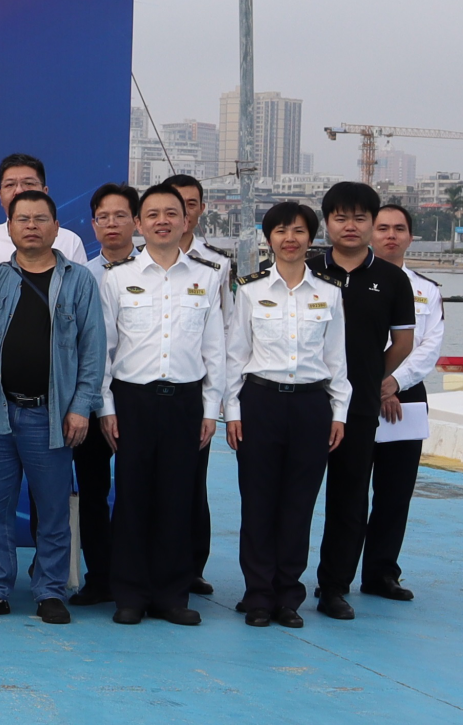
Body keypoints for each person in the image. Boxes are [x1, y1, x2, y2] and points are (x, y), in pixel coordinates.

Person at [0, 190, 103, 625]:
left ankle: (49, 591)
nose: (31, 226)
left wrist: (81, 406)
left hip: (52, 414)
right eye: (22, 219)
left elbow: (93, 350)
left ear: (56, 227)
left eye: (40, 218)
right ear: (8, 228)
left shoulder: (79, 281)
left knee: (53, 508)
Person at [96, 183, 224, 626]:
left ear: (187, 220)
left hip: (185, 402)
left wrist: (211, 409)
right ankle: (129, 594)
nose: (163, 221)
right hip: (132, 400)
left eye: (172, 213)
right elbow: (104, 351)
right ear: (139, 223)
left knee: (177, 498)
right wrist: (106, 407)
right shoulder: (117, 278)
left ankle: (172, 595)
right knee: (132, 498)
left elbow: (215, 349)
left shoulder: (206, 277)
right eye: (152, 214)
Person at [225, 201, 348, 628]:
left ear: (311, 238)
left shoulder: (329, 292)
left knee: (299, 504)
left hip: (312, 406)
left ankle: (287, 597)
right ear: (269, 239)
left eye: (298, 231)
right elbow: (235, 355)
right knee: (258, 503)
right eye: (280, 231)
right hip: (261, 403)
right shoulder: (250, 290)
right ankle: (258, 595)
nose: (289, 239)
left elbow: (336, 360)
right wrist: (232, 411)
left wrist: (339, 412)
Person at [308, 181, 417, 620]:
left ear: (371, 223)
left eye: (359, 218)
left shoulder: (392, 279)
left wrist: (370, 378)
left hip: (358, 408)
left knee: (349, 499)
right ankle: (275, 583)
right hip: (305, 403)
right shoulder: (307, 270)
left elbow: (403, 344)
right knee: (290, 496)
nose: (349, 226)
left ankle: (334, 586)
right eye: (340, 217)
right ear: (327, 223)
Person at [363, 203, 443, 601]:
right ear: (369, 234)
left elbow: (428, 347)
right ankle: (336, 575)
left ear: (411, 236)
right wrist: (376, 384)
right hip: (357, 392)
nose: (390, 235)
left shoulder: (428, 290)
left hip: (405, 394)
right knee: (350, 490)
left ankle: (381, 573)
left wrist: (393, 382)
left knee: (395, 492)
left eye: (399, 228)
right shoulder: (350, 282)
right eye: (382, 228)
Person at [71, 182, 138, 606]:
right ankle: (99, 577)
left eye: (120, 216)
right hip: (90, 400)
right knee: (92, 492)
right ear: (93, 224)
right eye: (103, 217)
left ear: (136, 221)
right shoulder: (81, 276)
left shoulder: (154, 274)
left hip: (136, 397)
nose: (111, 224)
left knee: (136, 492)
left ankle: (135, 576)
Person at [163, 173, 230, 597]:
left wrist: (216, 398)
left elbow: (224, 331)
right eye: (175, 204)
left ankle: (191, 567)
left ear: (201, 209)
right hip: (147, 389)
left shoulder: (216, 265)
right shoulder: (138, 263)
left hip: (194, 390)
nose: (183, 212)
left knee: (192, 483)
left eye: (191, 204)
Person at [0, 155, 90, 269]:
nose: (19, 191)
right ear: (0, 195)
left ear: (45, 192)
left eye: (29, 183)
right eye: (10, 185)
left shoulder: (70, 241)